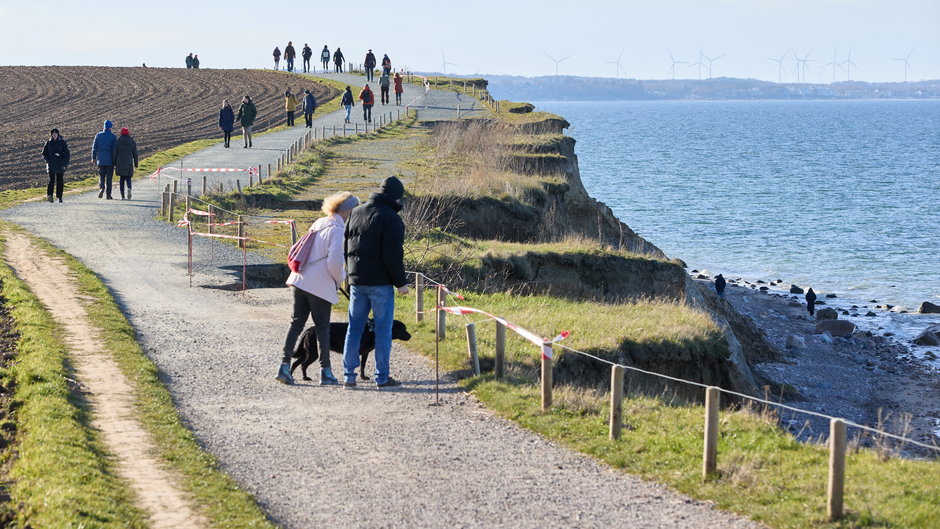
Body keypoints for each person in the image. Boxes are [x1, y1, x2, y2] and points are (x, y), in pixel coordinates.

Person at [277, 192, 361, 386]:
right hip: (319, 285)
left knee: (296, 324)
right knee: (323, 329)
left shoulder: (319, 223)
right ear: (347, 209)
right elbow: (334, 263)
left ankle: (283, 367)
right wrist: (341, 279)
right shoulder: (338, 230)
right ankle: (326, 372)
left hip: (300, 279)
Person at [342, 176, 409, 388]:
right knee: (383, 330)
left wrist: (349, 274)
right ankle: (382, 377)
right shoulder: (391, 218)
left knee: (354, 328)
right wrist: (401, 283)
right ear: (396, 196)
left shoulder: (356, 212)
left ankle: (348, 376)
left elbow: (346, 246)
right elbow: (393, 255)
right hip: (380, 283)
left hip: (357, 281)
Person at [41, 128, 70, 203]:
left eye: (55, 134)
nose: (54, 135)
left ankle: (59, 197)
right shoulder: (48, 143)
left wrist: (64, 164)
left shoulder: (62, 143)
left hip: (60, 164)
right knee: (51, 180)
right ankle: (50, 195)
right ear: (51, 135)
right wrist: (48, 161)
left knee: (60, 181)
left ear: (58, 134)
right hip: (51, 165)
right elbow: (44, 154)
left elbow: (67, 154)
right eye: (53, 134)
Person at [91, 120, 117, 199]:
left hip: (101, 160)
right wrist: (115, 160)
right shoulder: (113, 137)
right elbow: (114, 150)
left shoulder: (98, 135)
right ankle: (108, 195)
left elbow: (94, 148)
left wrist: (93, 158)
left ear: (104, 127)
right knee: (109, 178)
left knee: (101, 176)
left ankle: (101, 187)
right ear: (110, 127)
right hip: (110, 161)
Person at [112, 128, 138, 200]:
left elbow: (115, 153)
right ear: (128, 133)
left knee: (122, 179)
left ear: (121, 133)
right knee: (128, 178)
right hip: (129, 162)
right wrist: (136, 164)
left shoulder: (118, 142)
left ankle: (122, 196)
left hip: (120, 162)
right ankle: (129, 188)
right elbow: (135, 154)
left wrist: (114, 163)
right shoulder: (132, 142)